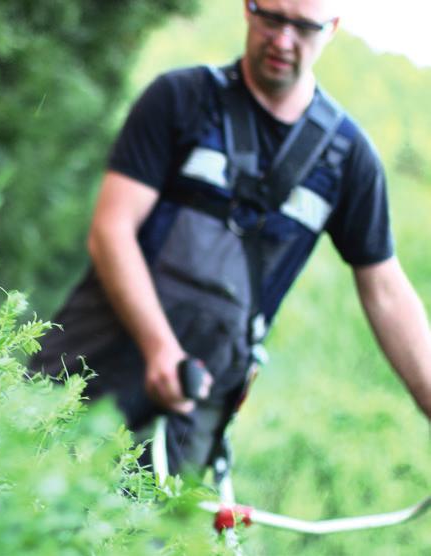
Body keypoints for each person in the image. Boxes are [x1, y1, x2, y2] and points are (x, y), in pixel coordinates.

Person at [29, 0, 431, 475]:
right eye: (272, 18)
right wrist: (161, 349)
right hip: (90, 359)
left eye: (303, 26)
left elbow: (385, 290)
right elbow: (111, 231)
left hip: (193, 404)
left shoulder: (348, 160)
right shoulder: (179, 99)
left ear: (332, 28)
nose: (283, 40)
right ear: (248, 9)